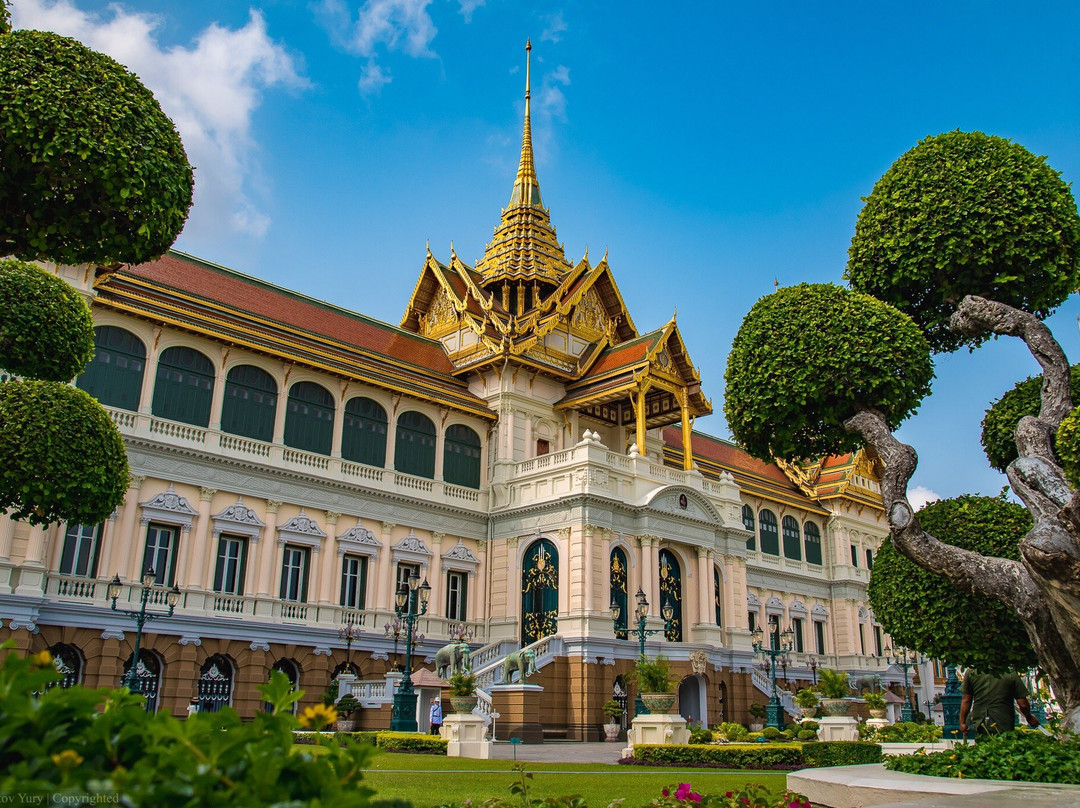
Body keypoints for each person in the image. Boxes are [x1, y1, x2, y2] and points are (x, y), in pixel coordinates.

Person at [959, 669, 1039, 739]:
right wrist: (1029, 717)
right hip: (1004, 722)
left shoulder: (972, 672)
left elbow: (966, 700)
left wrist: (962, 722)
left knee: (983, 750)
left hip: (981, 722)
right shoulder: (1010, 672)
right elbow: (1023, 705)